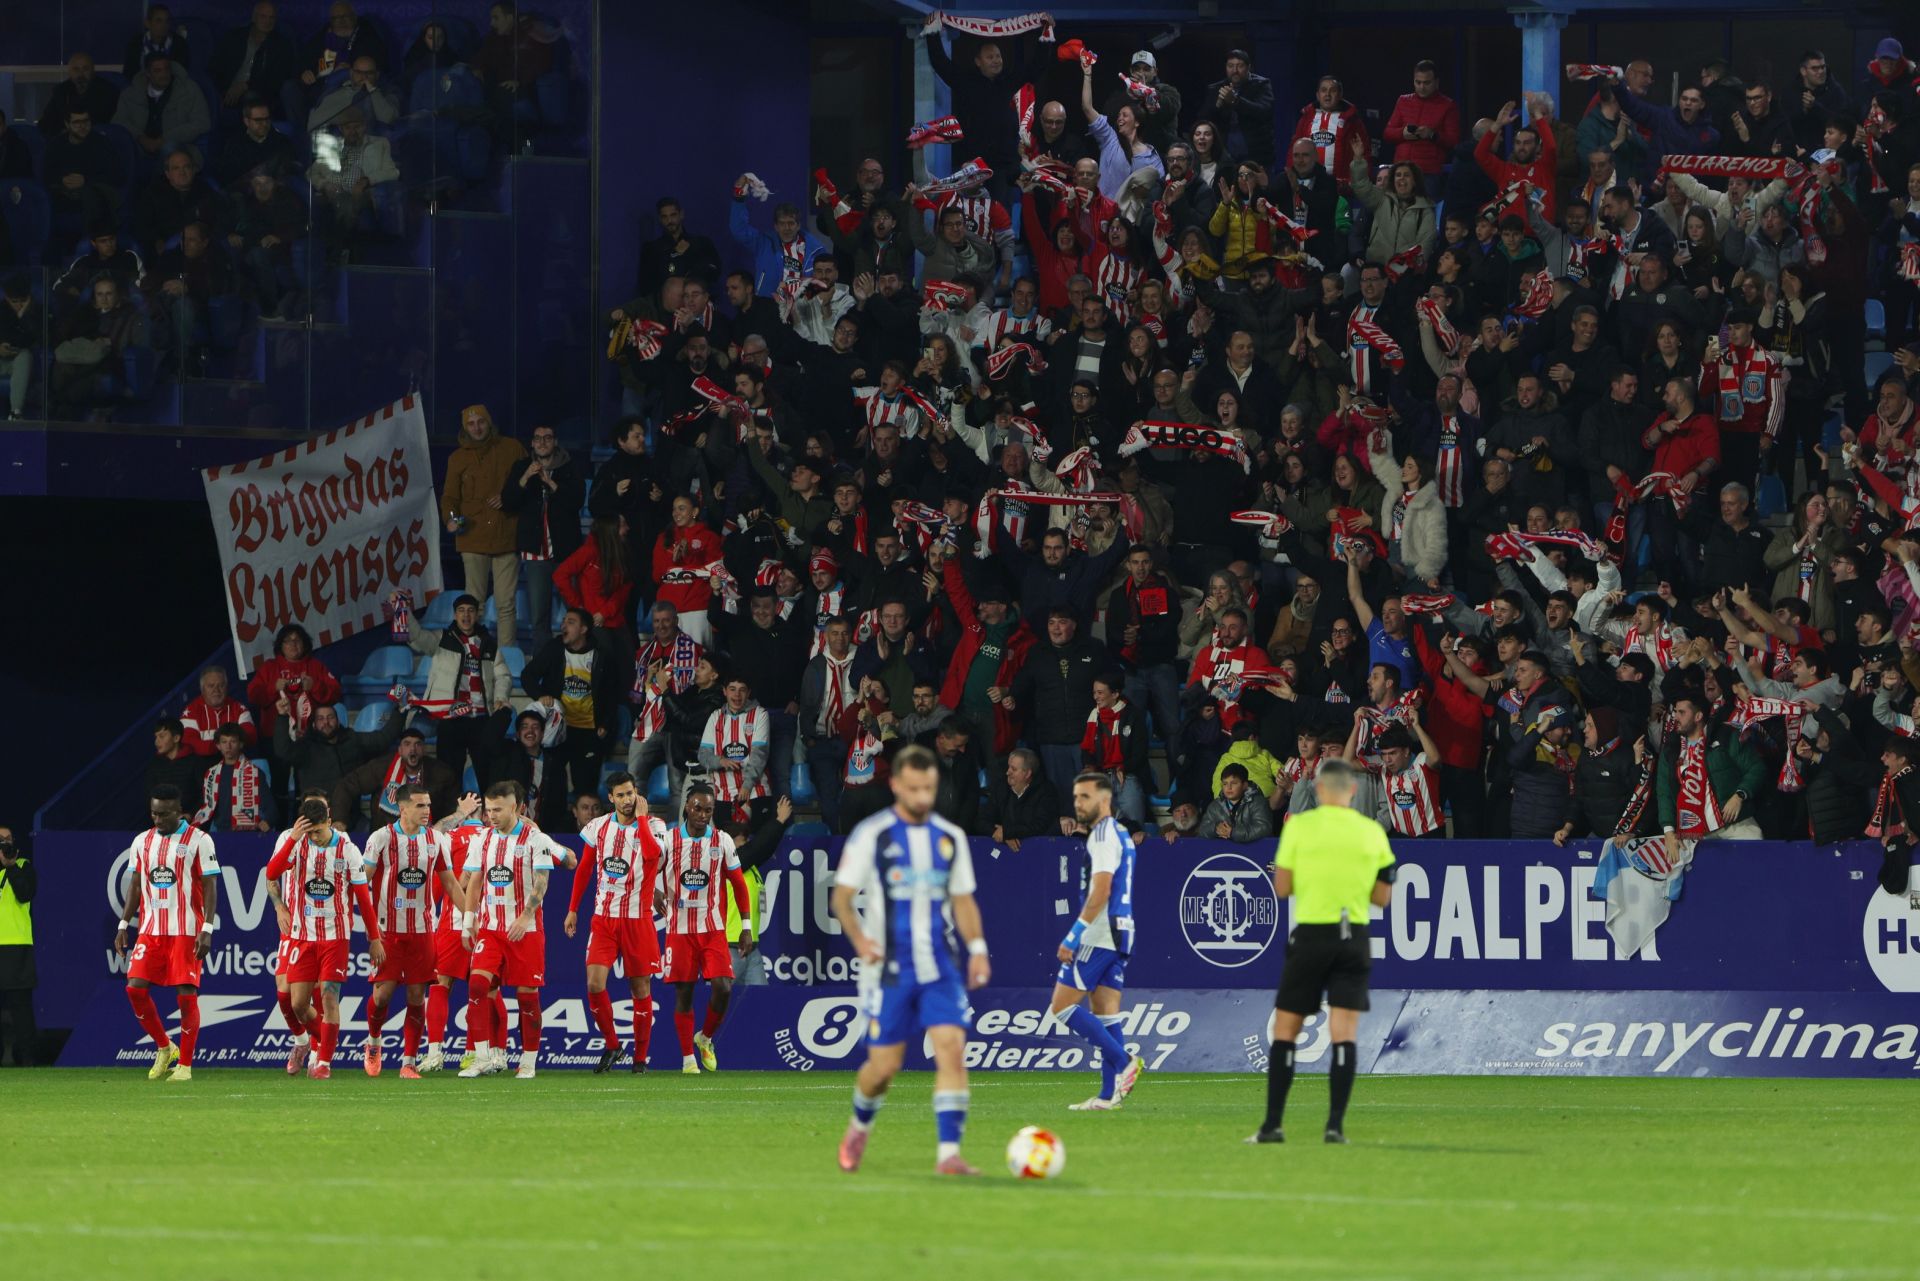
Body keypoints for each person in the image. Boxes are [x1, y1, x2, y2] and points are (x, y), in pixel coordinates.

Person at [833, 744, 991, 1175]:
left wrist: (977, 950)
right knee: (883, 1068)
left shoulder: (949, 837)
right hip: (887, 968)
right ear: (896, 785)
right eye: (915, 788)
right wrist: (861, 940)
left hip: (940, 964)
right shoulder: (872, 834)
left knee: (951, 1049)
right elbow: (842, 898)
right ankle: (859, 1125)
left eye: (930, 788)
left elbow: (963, 902)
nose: (924, 797)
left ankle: (949, 1154)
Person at [1248, 758, 1395, 1145]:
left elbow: (1282, 888)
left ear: (1318, 789)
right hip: (1354, 938)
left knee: (1286, 1031)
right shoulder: (1371, 832)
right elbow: (1383, 897)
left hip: (1311, 935)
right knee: (1343, 1034)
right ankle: (1334, 1127)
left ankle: (1272, 1126)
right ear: (1351, 791)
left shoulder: (1299, 826)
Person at [265, 795, 383, 1080]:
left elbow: (363, 899)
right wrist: (295, 837)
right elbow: (271, 872)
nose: (314, 837)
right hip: (301, 935)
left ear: (329, 822)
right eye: (310, 831)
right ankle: (318, 1040)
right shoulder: (296, 844)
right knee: (297, 1004)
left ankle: (324, 1063)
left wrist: (374, 938)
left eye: (318, 830)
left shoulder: (347, 849)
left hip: (335, 937)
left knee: (329, 996)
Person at [1050, 772, 1145, 1111]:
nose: (1078, 803)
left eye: (1085, 797)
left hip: (1100, 932)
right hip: (1121, 930)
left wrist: (1074, 935)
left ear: (1104, 800)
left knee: (1061, 1007)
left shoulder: (1103, 835)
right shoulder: (1119, 832)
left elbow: (1101, 890)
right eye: (1076, 797)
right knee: (1106, 1013)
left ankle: (1124, 1062)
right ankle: (1107, 1096)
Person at [113, 787, 220, 1083]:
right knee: (134, 988)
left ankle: (185, 1065)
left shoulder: (199, 840)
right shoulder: (141, 841)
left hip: (186, 931)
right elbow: (136, 884)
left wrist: (207, 929)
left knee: (186, 995)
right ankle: (164, 1046)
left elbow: (210, 886)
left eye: (164, 813)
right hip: (150, 930)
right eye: (154, 813)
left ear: (179, 812)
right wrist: (124, 925)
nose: (157, 819)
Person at [458, 780, 563, 1079]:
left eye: (498, 810)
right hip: (491, 929)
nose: (492, 815)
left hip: (525, 930)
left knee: (526, 996)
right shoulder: (483, 839)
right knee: (477, 986)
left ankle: (528, 1061)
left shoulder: (535, 839)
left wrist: (525, 915)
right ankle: (482, 1057)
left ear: (516, 807)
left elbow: (542, 879)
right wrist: (469, 921)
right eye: (489, 809)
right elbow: (475, 881)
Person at [359, 783, 459, 1078]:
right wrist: (371, 932)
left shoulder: (437, 840)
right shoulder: (381, 838)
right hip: (388, 930)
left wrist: (470, 918)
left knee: (417, 996)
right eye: (420, 805)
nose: (427, 810)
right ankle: (374, 1042)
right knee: (383, 996)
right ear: (402, 808)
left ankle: (408, 1061)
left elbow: (451, 883)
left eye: (428, 805)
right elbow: (362, 884)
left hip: (423, 930)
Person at [568, 772, 665, 1073]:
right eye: (620, 795)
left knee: (640, 990)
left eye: (630, 793)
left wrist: (644, 819)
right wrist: (573, 909)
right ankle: (612, 1044)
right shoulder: (598, 827)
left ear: (637, 794)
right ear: (610, 798)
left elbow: (651, 857)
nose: (627, 800)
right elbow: (584, 868)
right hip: (604, 920)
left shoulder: (656, 826)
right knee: (594, 983)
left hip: (638, 920)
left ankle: (640, 1059)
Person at [658, 785, 750, 1074]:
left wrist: (746, 927)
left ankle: (705, 1038)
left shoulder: (721, 841)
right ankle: (687, 1060)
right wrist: (652, 894)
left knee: (723, 988)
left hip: (712, 929)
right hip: (679, 929)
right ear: (686, 807)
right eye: (697, 808)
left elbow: (738, 884)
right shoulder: (669, 841)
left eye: (708, 810)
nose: (702, 815)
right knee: (684, 993)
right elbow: (645, 872)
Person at [521, 607, 627, 804]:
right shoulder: (554, 648)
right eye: (563, 621)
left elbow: (613, 693)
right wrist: (541, 695)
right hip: (559, 730)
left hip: (589, 733)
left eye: (570, 622)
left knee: (586, 788)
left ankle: (585, 832)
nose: (563, 625)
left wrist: (605, 723)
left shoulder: (602, 655)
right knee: (553, 785)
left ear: (584, 629)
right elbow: (528, 675)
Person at [406, 593, 513, 788]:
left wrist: (500, 697)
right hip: (451, 719)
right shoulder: (441, 639)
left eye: (471, 611)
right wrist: (404, 610)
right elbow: (417, 637)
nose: (466, 615)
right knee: (447, 775)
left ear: (477, 615)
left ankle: (490, 816)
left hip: (481, 718)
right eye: (461, 611)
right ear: (455, 615)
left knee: (487, 774)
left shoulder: (488, 643)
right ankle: (450, 817)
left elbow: (503, 676)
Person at [500, 423, 586, 651]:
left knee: (577, 611)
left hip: (566, 550)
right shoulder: (522, 466)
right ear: (532, 443)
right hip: (536, 552)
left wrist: (551, 483)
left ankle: (580, 659)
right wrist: (525, 477)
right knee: (539, 617)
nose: (542, 442)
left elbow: (576, 501)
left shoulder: (569, 466)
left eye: (547, 438)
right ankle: (544, 668)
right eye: (537, 438)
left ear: (555, 441)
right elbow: (508, 502)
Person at [112, 53, 210, 163]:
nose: (164, 74)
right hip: (140, 145)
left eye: (166, 69)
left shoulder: (189, 89)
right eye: (157, 71)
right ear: (148, 74)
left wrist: (164, 140)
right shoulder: (130, 94)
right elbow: (119, 120)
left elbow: (201, 122)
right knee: (123, 149)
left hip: (178, 146)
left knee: (170, 149)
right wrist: (141, 138)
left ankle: (159, 179)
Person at [209, 2, 302, 117]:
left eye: (271, 17)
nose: (267, 21)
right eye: (263, 16)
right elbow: (216, 67)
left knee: (251, 98)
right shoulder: (234, 38)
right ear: (254, 17)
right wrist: (225, 89)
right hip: (228, 90)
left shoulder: (282, 46)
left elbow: (277, 80)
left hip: (260, 94)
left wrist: (246, 86)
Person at [190, 724, 273, 833]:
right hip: (219, 832)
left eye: (233, 742)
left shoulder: (255, 773)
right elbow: (206, 806)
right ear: (218, 746)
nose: (228, 746)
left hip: (247, 833)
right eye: (224, 742)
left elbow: (269, 805)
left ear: (241, 744)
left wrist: (268, 821)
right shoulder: (211, 773)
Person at [1202, 49, 1276, 167]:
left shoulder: (1261, 85)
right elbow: (1204, 120)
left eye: (1240, 66)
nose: (1235, 71)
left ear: (1248, 67)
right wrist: (1217, 104)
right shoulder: (1216, 88)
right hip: (1224, 155)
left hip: (1256, 155)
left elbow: (1264, 111)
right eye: (1230, 66)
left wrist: (1235, 100)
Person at [0, 826, 34, 1067]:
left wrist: (10, 866)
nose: (5, 844)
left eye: (8, 840)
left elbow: (25, 894)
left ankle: (28, 1058)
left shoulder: (23, 865)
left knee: (20, 1006)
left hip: (16, 944)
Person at [179, 664, 258, 756]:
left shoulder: (239, 709)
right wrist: (227, 746)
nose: (216, 690)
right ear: (202, 689)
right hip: (203, 765)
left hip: (236, 763)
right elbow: (189, 744)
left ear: (227, 687)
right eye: (211, 686)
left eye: (221, 685)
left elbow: (250, 737)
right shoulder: (191, 712)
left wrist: (213, 747)